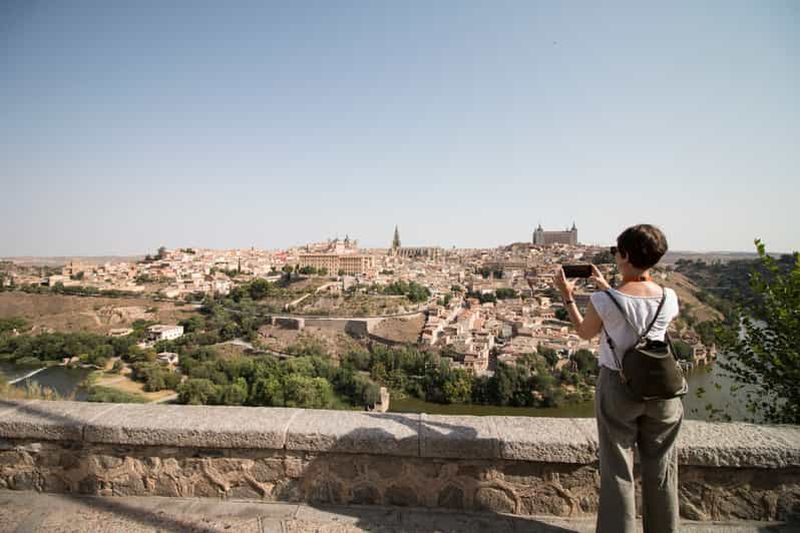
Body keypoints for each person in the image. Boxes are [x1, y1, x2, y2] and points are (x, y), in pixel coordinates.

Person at [553, 224, 681, 533]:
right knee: (662, 469)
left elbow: (585, 333)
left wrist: (567, 297)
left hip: (619, 387)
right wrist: (609, 286)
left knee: (617, 469)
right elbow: (644, 315)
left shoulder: (604, 301)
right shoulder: (670, 296)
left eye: (615, 251)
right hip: (663, 390)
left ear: (623, 255)